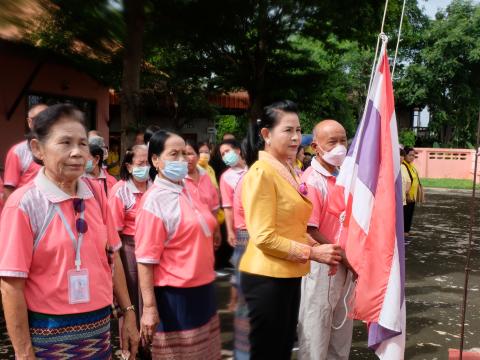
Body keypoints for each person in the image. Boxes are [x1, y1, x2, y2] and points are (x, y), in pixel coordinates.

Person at [0, 104, 139, 359]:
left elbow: (114, 255)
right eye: (65, 142)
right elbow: (10, 286)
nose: (77, 152)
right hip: (48, 338)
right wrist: (23, 352)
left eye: (83, 144)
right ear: (37, 149)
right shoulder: (24, 204)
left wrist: (129, 312)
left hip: (99, 332)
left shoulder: (96, 194)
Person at [239, 100, 342, 360]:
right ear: (266, 134)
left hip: (287, 274)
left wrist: (322, 249)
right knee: (268, 351)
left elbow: (291, 225)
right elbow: (263, 237)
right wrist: (313, 253)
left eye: (298, 130)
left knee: (282, 348)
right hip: (266, 277)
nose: (296, 137)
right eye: (287, 130)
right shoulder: (262, 173)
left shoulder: (290, 170)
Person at [135, 130, 221, 359]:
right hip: (175, 297)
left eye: (184, 153)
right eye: (174, 154)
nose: (182, 160)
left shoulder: (189, 187)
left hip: (203, 290)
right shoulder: (154, 201)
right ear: (155, 160)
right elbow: (145, 259)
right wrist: (149, 308)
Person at [297, 119, 355, 360]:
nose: (339, 147)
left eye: (343, 141)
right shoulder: (311, 181)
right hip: (321, 266)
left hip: (345, 263)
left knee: (340, 331)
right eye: (332, 142)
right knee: (316, 333)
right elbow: (309, 230)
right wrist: (344, 256)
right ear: (315, 147)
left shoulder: (342, 177)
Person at [108, 144, 151, 328]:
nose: (145, 166)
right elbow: (113, 233)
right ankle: (133, 342)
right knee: (133, 293)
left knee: (151, 293)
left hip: (153, 245)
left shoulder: (154, 186)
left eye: (148, 162)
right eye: (141, 163)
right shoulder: (120, 191)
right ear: (129, 166)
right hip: (129, 247)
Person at [219, 139, 248, 311]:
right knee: (239, 265)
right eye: (222, 154)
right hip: (241, 228)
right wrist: (230, 230)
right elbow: (227, 207)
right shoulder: (226, 177)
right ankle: (233, 301)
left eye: (227, 151)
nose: (225, 156)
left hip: (258, 226)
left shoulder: (252, 169)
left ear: (238, 150)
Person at [3, 103, 48, 202]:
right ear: (30, 122)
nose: (46, 122)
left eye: (50, 118)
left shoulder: (58, 149)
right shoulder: (18, 151)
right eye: (40, 118)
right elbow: (8, 189)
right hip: (27, 209)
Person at [184, 139, 222, 249]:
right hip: (187, 238)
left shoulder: (205, 176)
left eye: (190, 154)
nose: (187, 158)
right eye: (184, 154)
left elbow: (214, 208)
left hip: (207, 234)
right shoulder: (177, 180)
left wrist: (217, 230)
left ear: (197, 155)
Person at [402, 146, 423, 236]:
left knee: (410, 213)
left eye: (413, 156)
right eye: (410, 155)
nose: (412, 157)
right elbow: (404, 180)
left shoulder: (412, 166)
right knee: (405, 214)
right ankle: (403, 231)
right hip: (406, 195)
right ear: (405, 155)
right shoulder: (403, 166)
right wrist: (405, 194)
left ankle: (407, 230)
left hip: (412, 195)